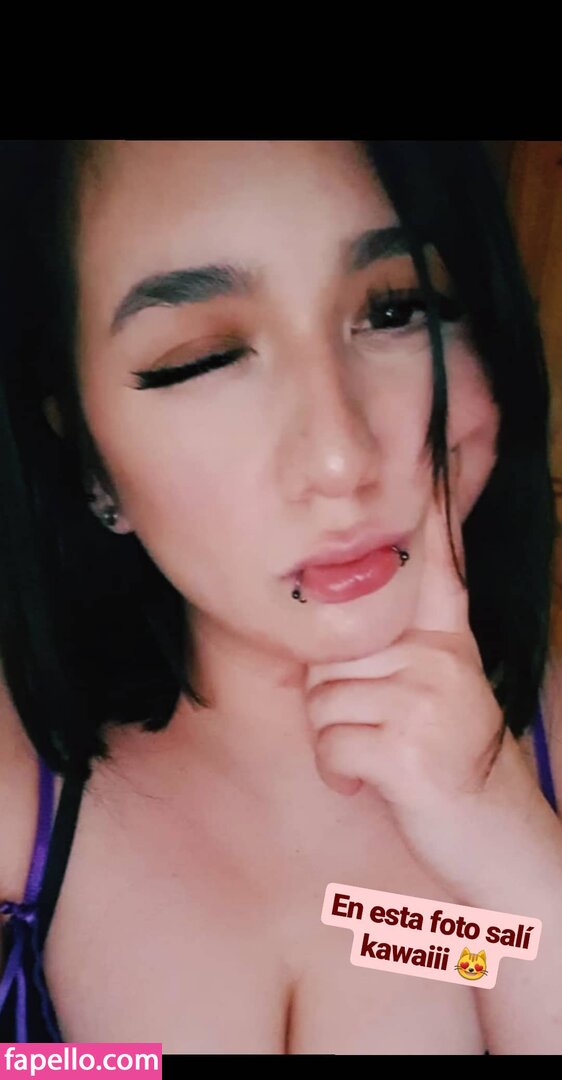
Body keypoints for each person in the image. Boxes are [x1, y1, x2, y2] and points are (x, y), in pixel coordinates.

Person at [0, 140, 561, 1055]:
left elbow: (452, 946)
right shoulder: (23, 786)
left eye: (398, 309)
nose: (340, 458)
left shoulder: (548, 758)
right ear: (87, 457)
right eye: (204, 358)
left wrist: (502, 843)